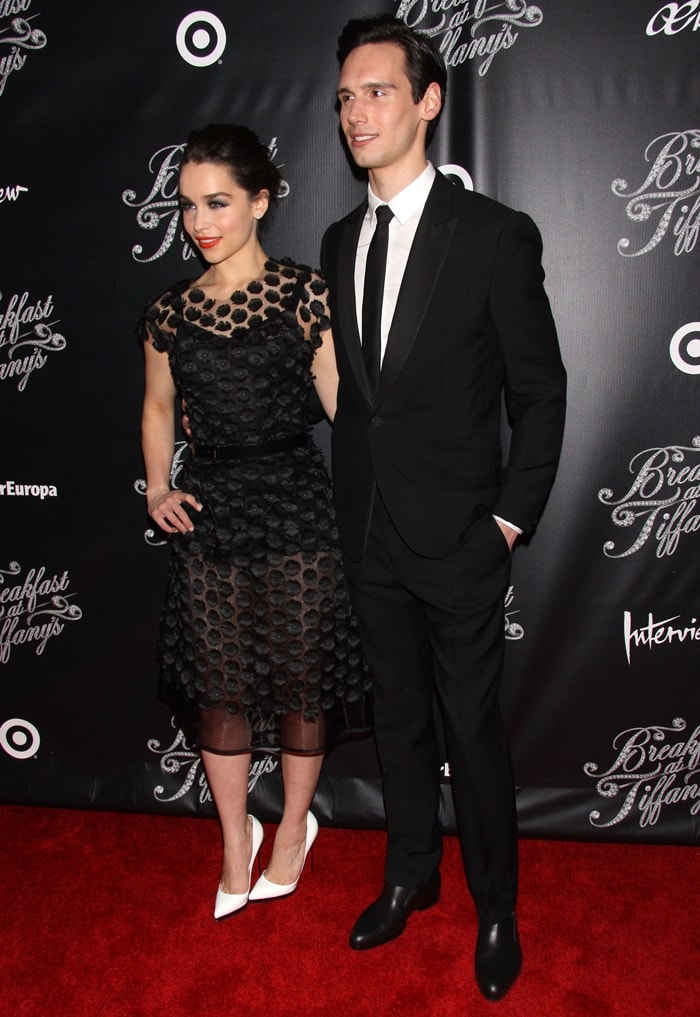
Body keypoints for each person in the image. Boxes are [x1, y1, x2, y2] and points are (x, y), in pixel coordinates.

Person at [320, 16, 567, 1001]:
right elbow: (365, 403)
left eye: (376, 91)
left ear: (427, 101)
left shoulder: (494, 234)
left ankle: (496, 906)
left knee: (472, 730)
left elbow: (538, 394)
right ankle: (409, 877)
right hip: (369, 532)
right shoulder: (340, 240)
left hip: (462, 541)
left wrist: (507, 519)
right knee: (398, 727)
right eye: (343, 96)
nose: (355, 112)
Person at [140, 124, 369, 921]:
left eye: (218, 202)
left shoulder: (305, 294)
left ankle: (294, 829)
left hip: (299, 505)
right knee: (221, 687)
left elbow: (344, 406)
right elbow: (160, 404)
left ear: (261, 201)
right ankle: (235, 838)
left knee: (303, 682)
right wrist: (153, 486)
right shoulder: (169, 312)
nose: (201, 221)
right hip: (212, 508)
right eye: (188, 206)